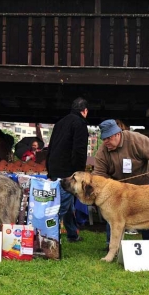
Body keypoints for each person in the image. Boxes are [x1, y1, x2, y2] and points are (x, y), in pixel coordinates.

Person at [94, 119, 149, 254]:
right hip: (119, 190)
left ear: (117, 134)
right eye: (104, 139)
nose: (106, 142)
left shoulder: (136, 139)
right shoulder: (103, 150)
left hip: (145, 184)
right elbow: (98, 175)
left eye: (108, 138)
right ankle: (111, 245)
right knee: (112, 215)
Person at [46, 97, 89, 243]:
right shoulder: (80, 124)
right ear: (85, 111)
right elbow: (79, 151)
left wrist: (49, 170)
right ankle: (48, 238)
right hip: (68, 174)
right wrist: (79, 173)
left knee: (68, 206)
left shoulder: (60, 123)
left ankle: (72, 234)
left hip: (54, 170)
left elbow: (50, 147)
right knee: (59, 209)